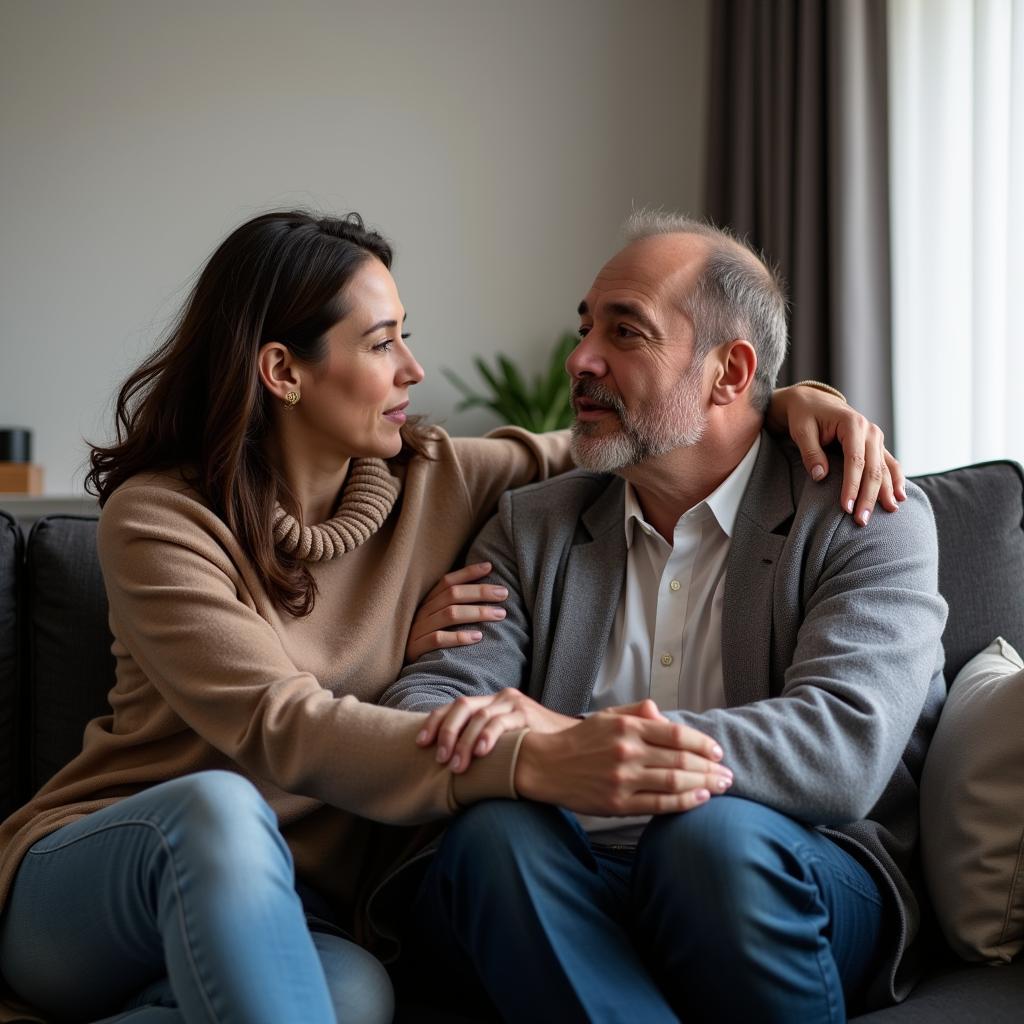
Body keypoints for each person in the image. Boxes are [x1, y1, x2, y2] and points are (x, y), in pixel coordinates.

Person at [0, 210, 901, 1024]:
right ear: (283, 371)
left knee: (355, 999)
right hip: (111, 873)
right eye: (382, 342)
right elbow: (279, 726)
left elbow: (644, 432)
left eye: (407, 338)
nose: (414, 369)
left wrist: (781, 405)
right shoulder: (162, 519)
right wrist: (531, 752)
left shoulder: (444, 481)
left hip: (298, 911)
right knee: (221, 813)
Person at [383, 213, 948, 1022]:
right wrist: (551, 754)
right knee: (491, 842)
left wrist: (592, 745)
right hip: (570, 877)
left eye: (626, 331)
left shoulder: (866, 514)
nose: (579, 358)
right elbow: (425, 708)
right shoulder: (531, 525)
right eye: (585, 328)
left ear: (728, 372)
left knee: (706, 841)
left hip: (795, 865)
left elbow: (843, 748)